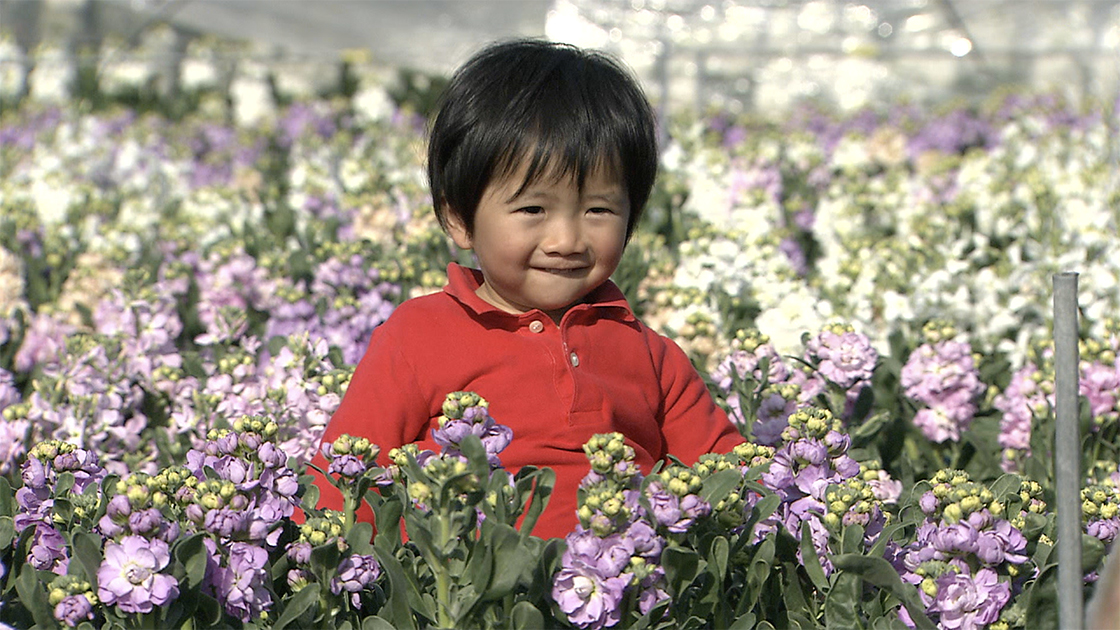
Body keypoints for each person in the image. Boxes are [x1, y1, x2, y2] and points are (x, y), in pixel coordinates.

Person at [309, 38, 745, 539]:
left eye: (598, 210)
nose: (566, 241)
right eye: (533, 210)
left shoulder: (651, 355)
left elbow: (729, 477)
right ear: (459, 219)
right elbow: (343, 482)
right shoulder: (417, 337)